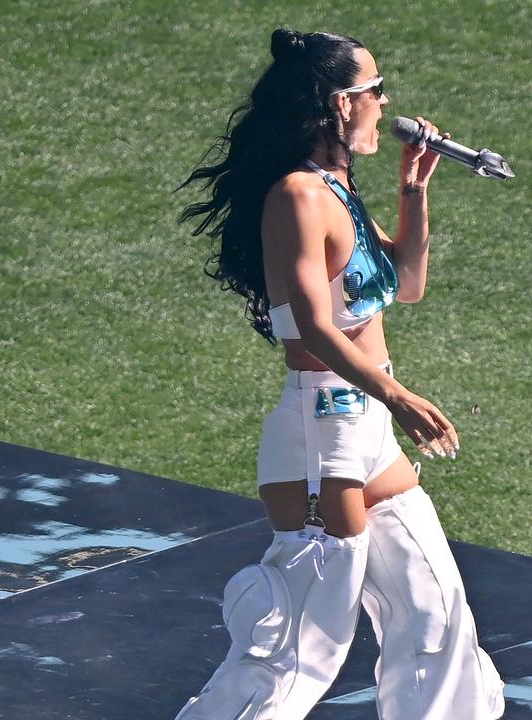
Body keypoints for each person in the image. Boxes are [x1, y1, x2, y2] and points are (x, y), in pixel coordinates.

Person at [172, 29, 504, 720]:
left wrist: (414, 193)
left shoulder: (338, 186)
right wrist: (398, 393)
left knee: (432, 607)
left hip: (366, 430)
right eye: (374, 90)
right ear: (338, 104)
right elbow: (312, 328)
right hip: (324, 433)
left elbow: (404, 286)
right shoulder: (296, 195)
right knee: (302, 645)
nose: (386, 103)